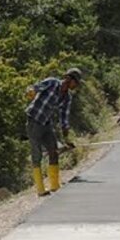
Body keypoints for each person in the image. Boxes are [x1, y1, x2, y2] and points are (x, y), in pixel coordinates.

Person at [25, 67, 82, 197]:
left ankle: (55, 186)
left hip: (46, 123)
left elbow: (64, 118)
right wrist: (31, 91)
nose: (76, 85)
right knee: (37, 154)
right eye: (75, 82)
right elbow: (34, 88)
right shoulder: (52, 82)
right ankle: (40, 189)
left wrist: (66, 139)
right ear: (68, 79)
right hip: (33, 120)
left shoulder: (67, 97)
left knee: (54, 151)